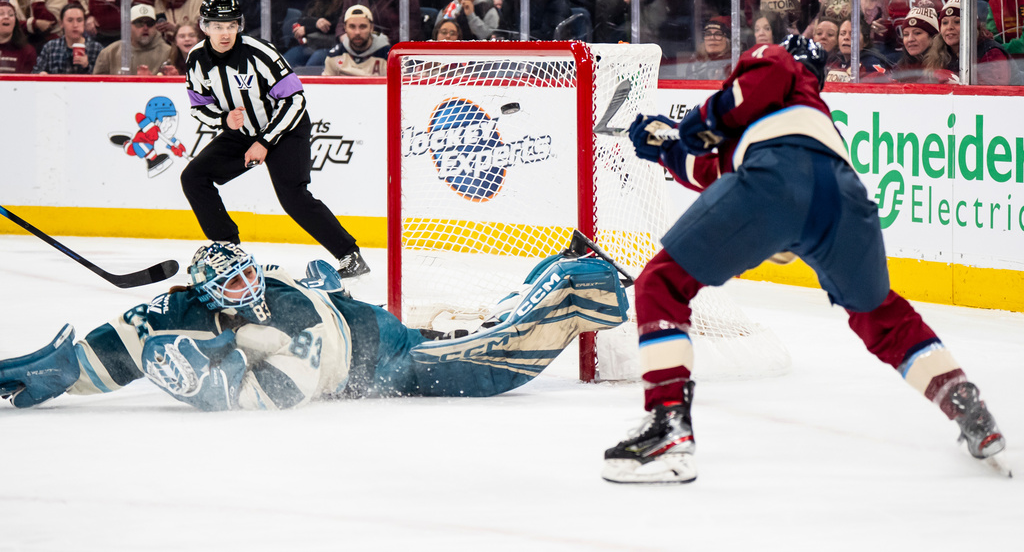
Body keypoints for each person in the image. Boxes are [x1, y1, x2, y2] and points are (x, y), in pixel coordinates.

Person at [602, 35, 1007, 484]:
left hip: (776, 185)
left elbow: (759, 83)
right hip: (841, 198)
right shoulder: (808, 120)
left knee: (660, 283)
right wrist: (666, 147)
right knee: (880, 313)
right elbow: (715, 171)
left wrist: (696, 123)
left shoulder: (775, 61)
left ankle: (668, 430)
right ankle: (966, 404)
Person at [0, 240, 628, 412]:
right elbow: (134, 334)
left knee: (491, 363)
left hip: (386, 353)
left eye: (250, 277)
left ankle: (577, 281)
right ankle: (561, 269)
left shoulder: (286, 310)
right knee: (481, 338)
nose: (249, 290)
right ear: (207, 290)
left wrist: (219, 388)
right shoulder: (189, 304)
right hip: (364, 324)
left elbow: (290, 388)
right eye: (235, 285)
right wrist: (74, 367)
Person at [181, 0, 370, 277]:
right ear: (204, 27)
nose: (225, 33)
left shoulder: (260, 52)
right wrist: (223, 119)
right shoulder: (196, 59)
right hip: (242, 131)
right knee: (193, 177)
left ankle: (349, 255)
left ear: (239, 25)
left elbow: (295, 100)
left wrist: (265, 142)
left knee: (293, 196)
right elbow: (198, 107)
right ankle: (227, 248)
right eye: (218, 26)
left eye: (231, 25)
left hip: (285, 129)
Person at [924, 0, 1013, 85]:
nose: (949, 27)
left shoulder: (991, 52)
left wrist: (956, 82)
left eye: (957, 22)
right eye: (945, 23)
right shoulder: (940, 53)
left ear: (972, 25)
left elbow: (995, 92)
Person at [284, 0, 349, 68]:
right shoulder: (315, 2)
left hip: (335, 46)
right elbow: (301, 21)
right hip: (311, 45)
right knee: (285, 63)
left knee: (313, 62)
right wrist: (316, 23)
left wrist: (309, 28)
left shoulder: (349, 0)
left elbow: (336, 24)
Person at [92, 4, 172, 75]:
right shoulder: (110, 52)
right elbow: (97, 86)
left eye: (150, 23)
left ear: (155, 26)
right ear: (128, 26)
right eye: (139, 23)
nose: (145, 28)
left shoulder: (169, 53)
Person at [32, 2, 104, 74]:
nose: (75, 25)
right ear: (61, 24)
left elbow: (105, 79)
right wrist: (41, 74)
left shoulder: (96, 48)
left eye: (79, 20)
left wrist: (87, 66)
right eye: (70, 20)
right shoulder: (50, 47)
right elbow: (35, 73)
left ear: (84, 23)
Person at [323, 5, 390, 76]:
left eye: (363, 27)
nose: (357, 32)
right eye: (352, 27)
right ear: (345, 28)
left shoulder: (387, 56)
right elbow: (326, 86)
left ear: (371, 28)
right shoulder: (335, 56)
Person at [825, 15, 893, 81]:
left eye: (853, 34)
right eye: (842, 34)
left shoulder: (870, 65)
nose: (846, 38)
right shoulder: (833, 62)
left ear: (865, 42)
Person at [892, 4, 939, 81]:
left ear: (933, 37)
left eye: (917, 33)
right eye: (906, 34)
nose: (910, 39)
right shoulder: (898, 69)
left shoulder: (945, 66)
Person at [0, 1, 38, 74]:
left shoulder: (27, 51)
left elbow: (30, 82)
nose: (6, 17)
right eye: (1, 14)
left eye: (11, 14)